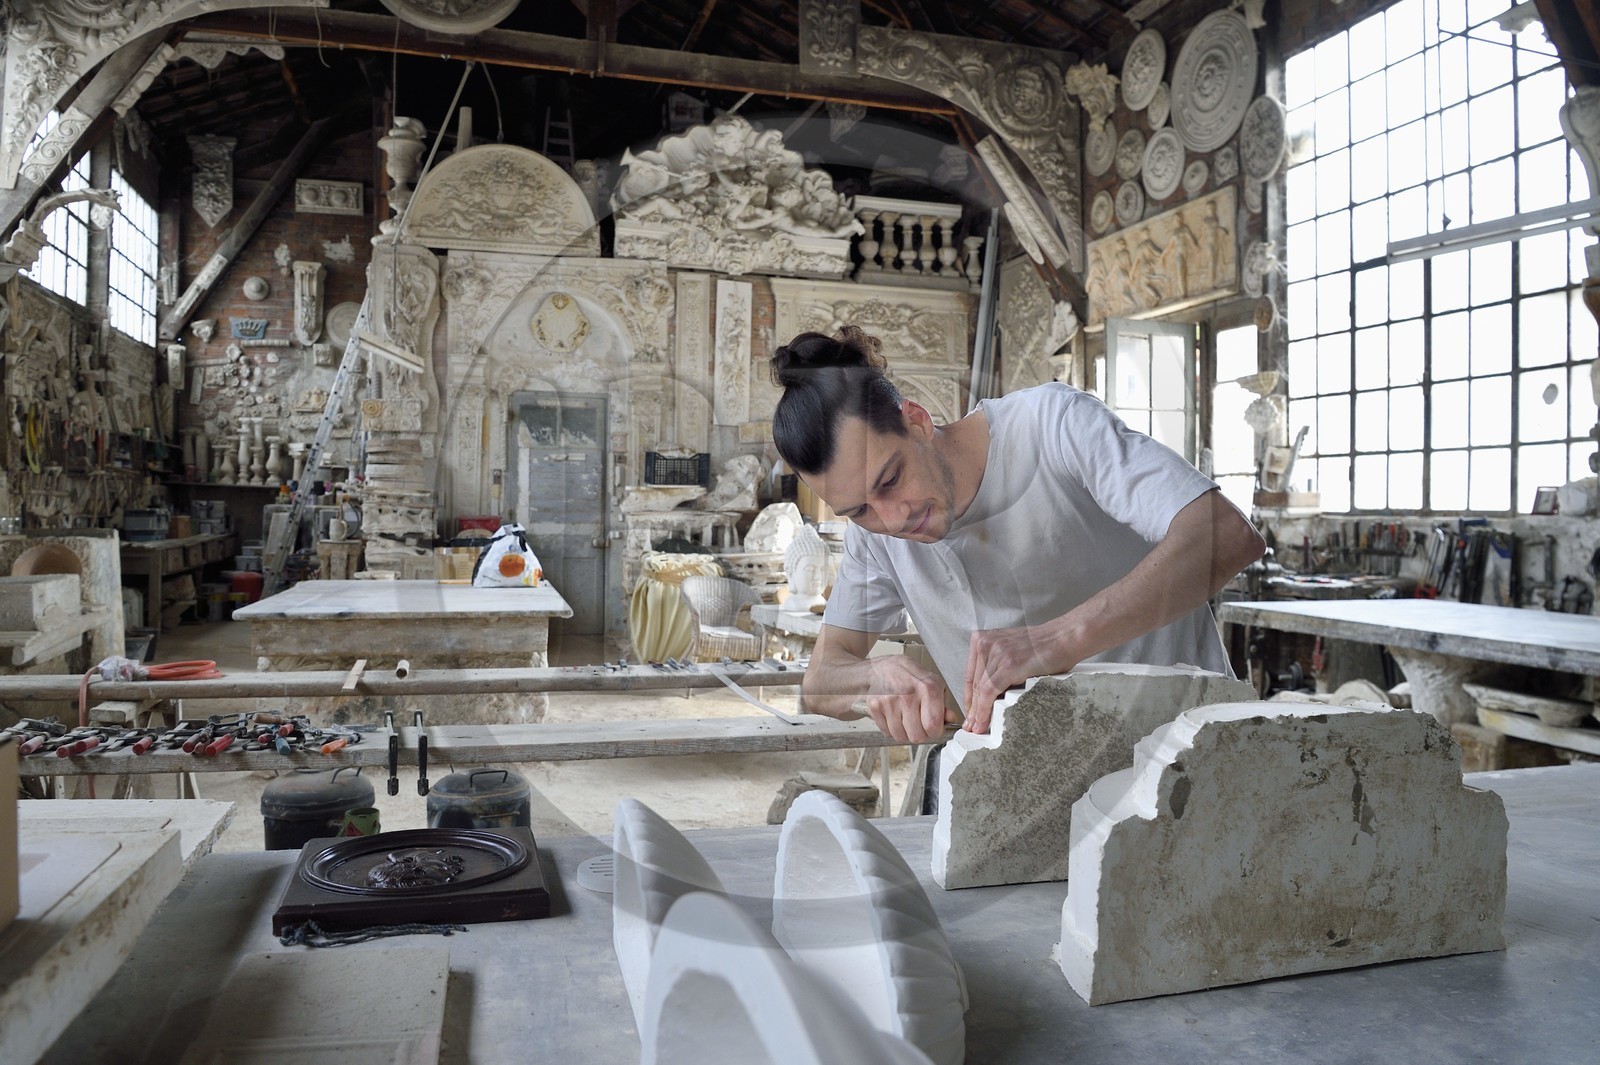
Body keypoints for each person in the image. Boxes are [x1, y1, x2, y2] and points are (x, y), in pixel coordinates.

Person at [768, 325, 1265, 745]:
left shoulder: (1053, 426)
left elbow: (1226, 534)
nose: (892, 520)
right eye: (859, 510)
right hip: (1028, 794)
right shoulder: (876, 536)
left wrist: (1055, 641)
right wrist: (870, 679)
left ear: (917, 422)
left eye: (891, 479)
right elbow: (820, 681)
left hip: (1182, 753)